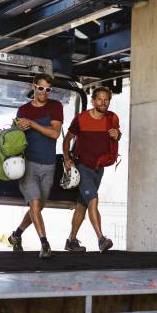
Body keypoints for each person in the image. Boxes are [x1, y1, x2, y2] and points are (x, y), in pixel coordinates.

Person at [8, 73, 63, 258]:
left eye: (48, 89)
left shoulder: (56, 107)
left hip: (49, 164)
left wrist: (32, 124)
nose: (44, 92)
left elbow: (55, 134)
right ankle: (45, 244)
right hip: (28, 164)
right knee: (35, 202)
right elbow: (16, 138)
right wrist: (18, 128)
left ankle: (16, 235)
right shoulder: (23, 110)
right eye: (41, 88)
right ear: (34, 87)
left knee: (37, 208)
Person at [63, 86, 121, 253]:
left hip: (99, 168)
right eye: (100, 99)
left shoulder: (112, 118)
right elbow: (67, 140)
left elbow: (117, 135)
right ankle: (101, 239)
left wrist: (118, 135)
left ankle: (71, 241)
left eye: (106, 100)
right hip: (82, 167)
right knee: (93, 200)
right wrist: (67, 158)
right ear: (93, 100)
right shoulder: (81, 119)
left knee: (82, 205)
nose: (103, 103)